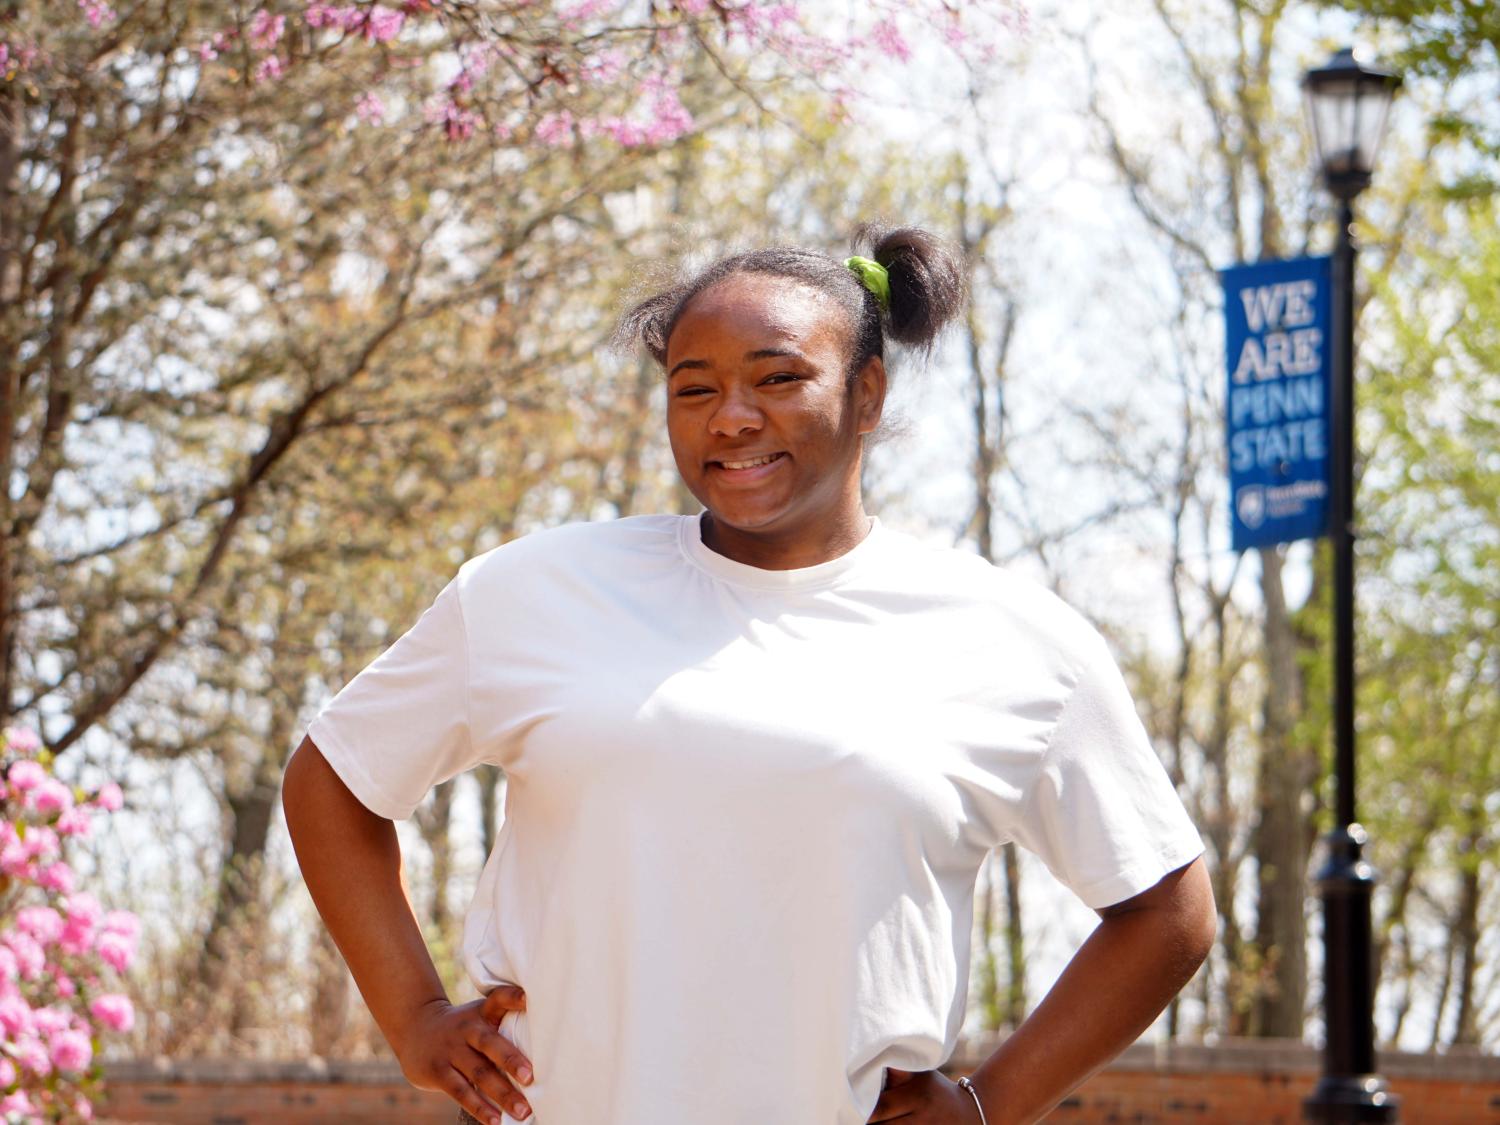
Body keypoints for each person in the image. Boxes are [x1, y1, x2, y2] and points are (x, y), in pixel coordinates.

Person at [280, 224, 1216, 1125]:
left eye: (778, 377)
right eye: (695, 390)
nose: (732, 416)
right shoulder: (534, 590)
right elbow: (332, 781)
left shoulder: (1012, 640)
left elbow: (1167, 909)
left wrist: (986, 1105)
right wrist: (413, 1019)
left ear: (868, 394)